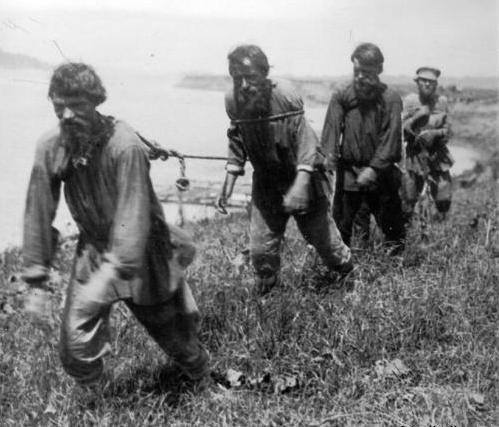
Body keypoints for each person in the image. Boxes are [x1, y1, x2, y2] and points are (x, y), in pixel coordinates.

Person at [21, 63, 208, 385]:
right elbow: (38, 210)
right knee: (75, 347)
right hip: (93, 251)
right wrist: (36, 280)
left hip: (145, 252)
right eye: (59, 106)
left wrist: (109, 276)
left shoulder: (125, 145)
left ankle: (202, 380)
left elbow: (132, 217)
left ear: (96, 101)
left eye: (76, 105)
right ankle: (96, 401)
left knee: (177, 338)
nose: (66, 115)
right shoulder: (51, 145)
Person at [215, 45, 352, 295]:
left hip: (304, 178)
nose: (244, 85)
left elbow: (306, 144)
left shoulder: (285, 97)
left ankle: (350, 279)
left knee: (325, 243)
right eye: (237, 78)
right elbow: (237, 140)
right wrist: (227, 187)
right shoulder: (233, 101)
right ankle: (267, 299)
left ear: (265, 75)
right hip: (266, 183)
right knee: (261, 251)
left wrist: (299, 187)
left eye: (251, 77)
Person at [321, 42, 406, 253]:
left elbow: (391, 139)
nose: (360, 77)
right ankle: (345, 266)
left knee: (393, 227)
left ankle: (396, 266)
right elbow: (331, 130)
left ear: (379, 70)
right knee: (343, 226)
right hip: (350, 173)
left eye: (366, 73)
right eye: (356, 71)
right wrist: (327, 161)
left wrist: (374, 169)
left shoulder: (391, 99)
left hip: (382, 174)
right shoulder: (342, 93)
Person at [401, 67, 453, 220]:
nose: (427, 84)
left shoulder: (442, 102)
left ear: (436, 84)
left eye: (431, 82)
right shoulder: (409, 101)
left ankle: (440, 227)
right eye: (423, 81)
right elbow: (401, 130)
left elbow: (449, 131)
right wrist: (417, 116)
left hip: (438, 155)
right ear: (417, 82)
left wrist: (435, 134)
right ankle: (410, 228)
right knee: (409, 197)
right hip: (414, 154)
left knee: (443, 198)